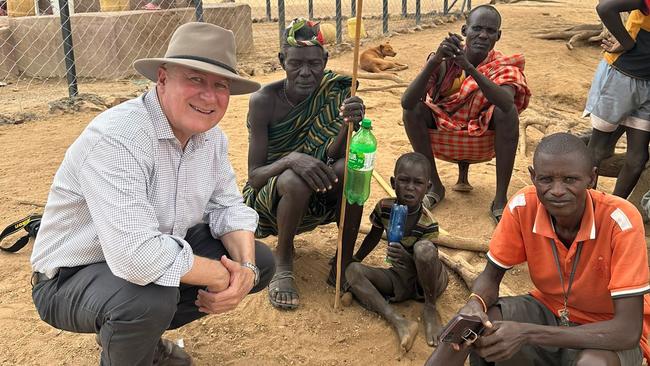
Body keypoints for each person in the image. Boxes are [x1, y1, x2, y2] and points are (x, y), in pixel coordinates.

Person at [30, 23, 275, 366]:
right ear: (162, 78)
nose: (209, 96)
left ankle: (140, 338)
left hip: (144, 258)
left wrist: (245, 270)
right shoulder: (119, 138)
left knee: (261, 262)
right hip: (70, 277)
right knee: (147, 299)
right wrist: (224, 276)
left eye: (220, 84)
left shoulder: (211, 139)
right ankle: (130, 346)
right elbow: (136, 256)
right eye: (195, 79)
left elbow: (228, 206)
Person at [425, 132, 650, 366]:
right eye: (546, 179)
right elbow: (491, 277)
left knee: (593, 363)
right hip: (549, 310)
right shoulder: (523, 206)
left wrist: (527, 333)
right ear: (533, 177)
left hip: (606, 330)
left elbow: (627, 331)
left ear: (591, 178)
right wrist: (474, 304)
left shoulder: (620, 221)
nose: (557, 190)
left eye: (570, 180)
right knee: (477, 326)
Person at [243, 18, 366, 310]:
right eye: (296, 63)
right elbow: (254, 177)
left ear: (324, 59)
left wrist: (349, 126)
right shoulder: (264, 101)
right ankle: (283, 259)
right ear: (282, 60)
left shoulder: (337, 91)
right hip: (271, 200)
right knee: (294, 178)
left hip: (317, 192)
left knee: (352, 170)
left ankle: (344, 258)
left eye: (314, 63)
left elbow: (331, 159)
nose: (306, 73)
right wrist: (291, 160)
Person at [401, 5, 531, 223]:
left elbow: (507, 104)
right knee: (413, 110)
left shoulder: (504, 66)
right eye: (477, 28)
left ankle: (500, 199)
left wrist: (469, 68)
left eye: (490, 31)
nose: (483, 35)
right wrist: (434, 61)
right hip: (443, 127)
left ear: (498, 36)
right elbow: (407, 102)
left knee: (507, 114)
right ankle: (436, 185)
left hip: (482, 131)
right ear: (464, 30)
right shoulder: (444, 61)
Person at [345, 152, 448, 353]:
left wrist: (408, 259)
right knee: (353, 271)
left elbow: (428, 263)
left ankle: (429, 308)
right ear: (393, 182)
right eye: (403, 181)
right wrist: (356, 258)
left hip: (428, 281)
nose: (410, 187)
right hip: (400, 279)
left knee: (423, 249)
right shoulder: (384, 208)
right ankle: (399, 322)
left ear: (427, 188)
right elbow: (374, 236)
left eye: (418, 183)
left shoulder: (428, 223)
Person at [585, 0, 650, 198]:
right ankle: (585, 208)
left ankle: (614, 211)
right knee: (599, 147)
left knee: (638, 157)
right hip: (620, 75)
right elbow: (605, 7)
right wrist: (627, 41)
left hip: (647, 83)